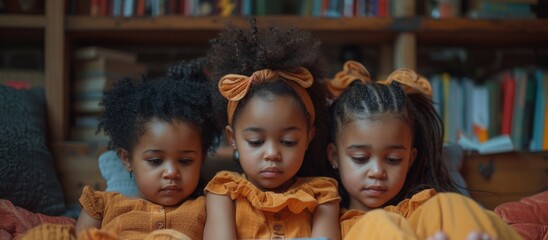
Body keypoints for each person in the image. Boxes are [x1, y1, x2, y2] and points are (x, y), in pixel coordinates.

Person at [22, 58, 220, 240]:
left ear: (201, 159)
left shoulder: (208, 208)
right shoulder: (102, 205)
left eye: (185, 161)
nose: (171, 173)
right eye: (155, 161)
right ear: (126, 159)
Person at [326, 61, 522, 239]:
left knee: (449, 204)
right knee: (378, 221)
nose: (377, 172)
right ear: (334, 156)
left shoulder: (424, 210)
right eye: (360, 158)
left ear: (410, 160)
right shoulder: (325, 220)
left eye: (393, 159)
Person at [203, 19, 341, 240]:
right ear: (232, 138)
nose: (272, 154)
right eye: (256, 141)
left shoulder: (322, 195)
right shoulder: (224, 193)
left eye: (288, 141)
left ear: (309, 137)